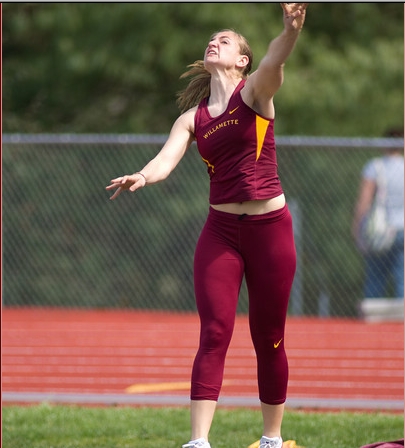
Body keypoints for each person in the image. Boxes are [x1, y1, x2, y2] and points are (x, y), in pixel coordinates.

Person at [106, 4, 308, 447]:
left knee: (269, 337)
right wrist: (143, 175)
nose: (214, 43)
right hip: (221, 232)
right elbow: (164, 160)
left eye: (225, 40)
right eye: (211, 40)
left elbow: (276, 59)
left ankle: (272, 439)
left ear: (242, 60)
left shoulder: (255, 93)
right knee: (214, 333)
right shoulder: (192, 118)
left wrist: (291, 30)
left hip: (270, 229)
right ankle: (198, 442)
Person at [352, 128, 404, 300]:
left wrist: (357, 227)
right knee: (402, 280)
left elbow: (364, 201)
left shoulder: (375, 167)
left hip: (380, 231)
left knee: (375, 278)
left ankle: (371, 316)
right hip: (402, 229)